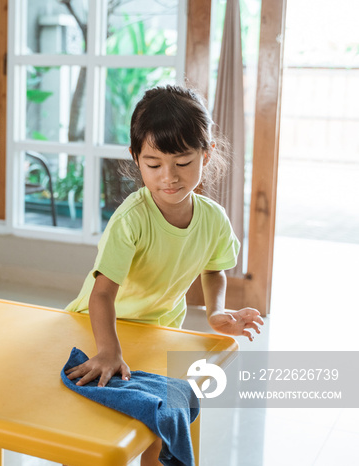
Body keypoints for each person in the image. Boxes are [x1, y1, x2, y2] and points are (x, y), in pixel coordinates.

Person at [63, 84, 264, 466]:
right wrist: (108, 350)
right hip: (99, 327)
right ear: (136, 158)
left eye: (183, 163)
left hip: (157, 331)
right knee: (89, 433)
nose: (169, 177)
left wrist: (216, 312)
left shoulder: (213, 220)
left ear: (206, 154)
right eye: (154, 165)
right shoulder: (131, 219)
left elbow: (214, 268)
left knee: (157, 428)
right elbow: (101, 295)